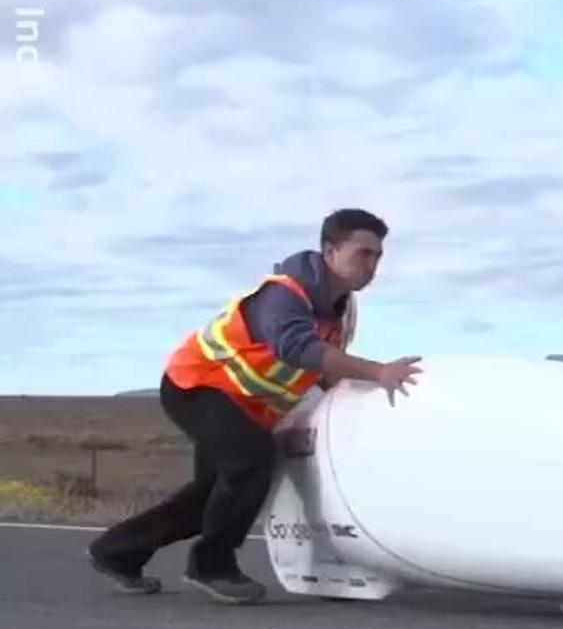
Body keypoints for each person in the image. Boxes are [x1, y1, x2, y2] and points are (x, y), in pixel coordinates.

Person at [88, 209, 423, 605]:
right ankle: (211, 565)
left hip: (242, 405)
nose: (372, 266)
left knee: (209, 498)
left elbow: (325, 368)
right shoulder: (285, 293)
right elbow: (299, 349)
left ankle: (117, 553)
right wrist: (379, 371)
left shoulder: (340, 307)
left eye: (378, 256)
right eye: (363, 253)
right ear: (330, 251)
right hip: (198, 385)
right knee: (250, 461)